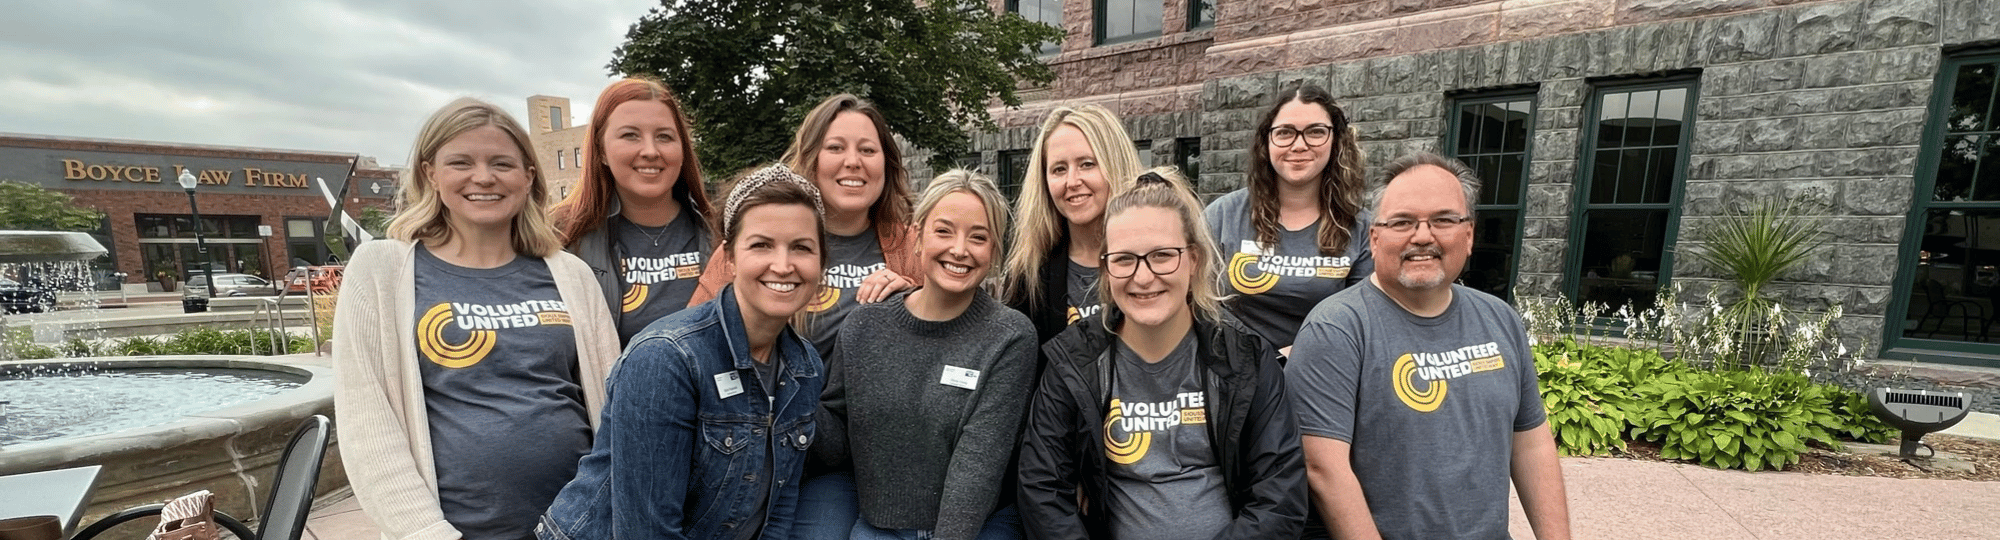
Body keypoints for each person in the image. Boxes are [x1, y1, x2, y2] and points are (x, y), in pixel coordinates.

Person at [333, 98, 621, 540]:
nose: (483, 177)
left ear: (527, 177)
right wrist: (427, 533)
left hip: (579, 525)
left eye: (501, 163)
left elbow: (613, 407)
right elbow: (367, 426)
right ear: (431, 173)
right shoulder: (382, 271)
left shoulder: (570, 274)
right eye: (461, 162)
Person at [1286, 153, 1570, 540]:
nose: (1422, 236)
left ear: (1468, 235)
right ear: (1375, 237)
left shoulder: (1500, 319)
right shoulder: (1336, 329)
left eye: (1443, 220)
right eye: (1402, 222)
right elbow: (1323, 469)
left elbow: (1531, 444)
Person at [539, 164, 829, 540]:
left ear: (821, 262)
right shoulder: (667, 359)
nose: (783, 265)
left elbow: (777, 509)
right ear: (728, 258)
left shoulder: (804, 366)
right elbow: (646, 533)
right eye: (761, 245)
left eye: (802, 248)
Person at [1017, 169, 1308, 540]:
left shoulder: (1246, 359)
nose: (1143, 276)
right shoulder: (1073, 362)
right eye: (1124, 259)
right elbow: (1042, 490)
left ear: (1195, 260)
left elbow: (1279, 497)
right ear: (1105, 270)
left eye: (1162, 255)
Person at [805, 169, 1039, 540]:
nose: (959, 249)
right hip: (879, 525)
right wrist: (783, 381)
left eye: (978, 237)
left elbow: (978, 464)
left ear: (994, 250)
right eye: (943, 231)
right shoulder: (864, 327)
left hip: (975, 528)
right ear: (917, 236)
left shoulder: (1009, 337)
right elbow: (837, 441)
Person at [693, 94, 920, 355]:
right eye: (835, 148)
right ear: (811, 158)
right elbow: (695, 339)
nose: (853, 162)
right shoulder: (753, 242)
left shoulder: (912, 247)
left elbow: (948, 334)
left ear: (886, 162)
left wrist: (911, 299)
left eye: (867, 150)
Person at [1204, 84, 1370, 353]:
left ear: (1336, 140)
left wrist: (1304, 352)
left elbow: (1365, 319)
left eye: (1316, 132)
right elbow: (1198, 305)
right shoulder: (1222, 216)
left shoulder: (1360, 228)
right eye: (1285, 133)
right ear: (1266, 141)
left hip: (1320, 373)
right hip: (1235, 374)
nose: (1299, 145)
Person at [550, 77, 715, 345]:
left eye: (664, 136)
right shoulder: (560, 239)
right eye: (630, 135)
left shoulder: (722, 233)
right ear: (601, 151)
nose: (650, 151)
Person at [1001, 104, 1145, 345]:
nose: (1072, 181)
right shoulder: (1029, 277)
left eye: (1087, 164)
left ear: (1115, 165)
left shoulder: (1160, 262)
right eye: (1059, 169)